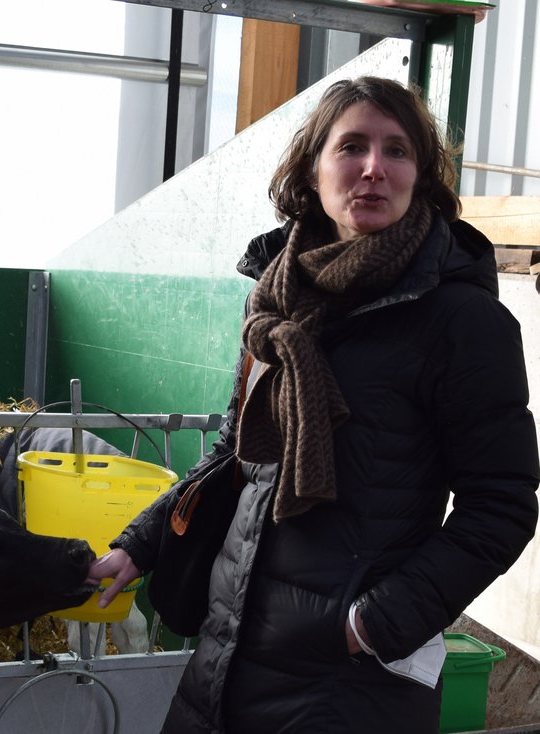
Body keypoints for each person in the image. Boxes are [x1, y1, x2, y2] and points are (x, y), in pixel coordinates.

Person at [87, 76, 540, 733]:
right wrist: (141, 544)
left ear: (420, 175)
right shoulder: (275, 301)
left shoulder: (462, 320)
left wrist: (373, 624)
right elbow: (234, 456)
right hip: (228, 653)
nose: (374, 167)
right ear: (312, 169)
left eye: (397, 150)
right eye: (351, 146)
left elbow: (500, 505)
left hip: (349, 681)